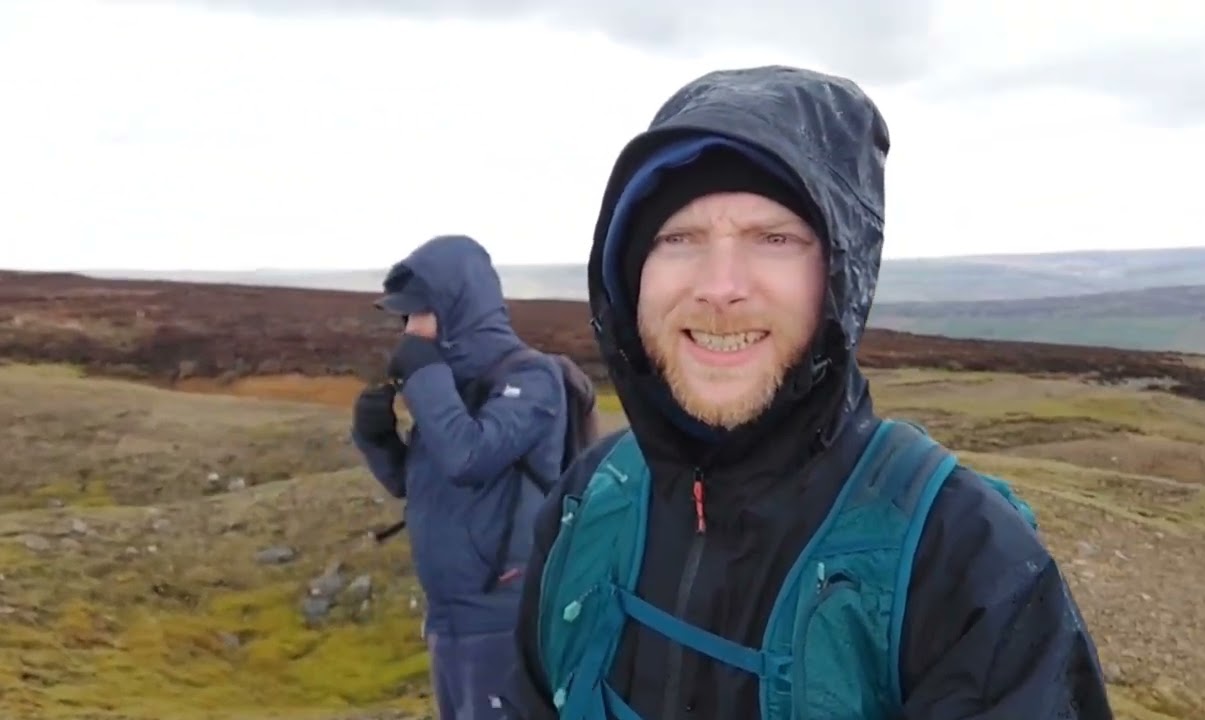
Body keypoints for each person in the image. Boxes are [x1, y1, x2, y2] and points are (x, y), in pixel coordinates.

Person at [502, 66, 1114, 719]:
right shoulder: (593, 496)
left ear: (840, 277)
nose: (720, 285)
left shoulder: (962, 563)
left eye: (775, 239)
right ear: (630, 272)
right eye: (678, 237)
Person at [351, 234, 568, 720]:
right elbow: (412, 484)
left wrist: (424, 374)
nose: (408, 330)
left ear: (455, 308)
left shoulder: (531, 379)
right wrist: (376, 435)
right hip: (448, 616)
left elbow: (467, 458)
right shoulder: (449, 387)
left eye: (415, 314)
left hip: (500, 614)